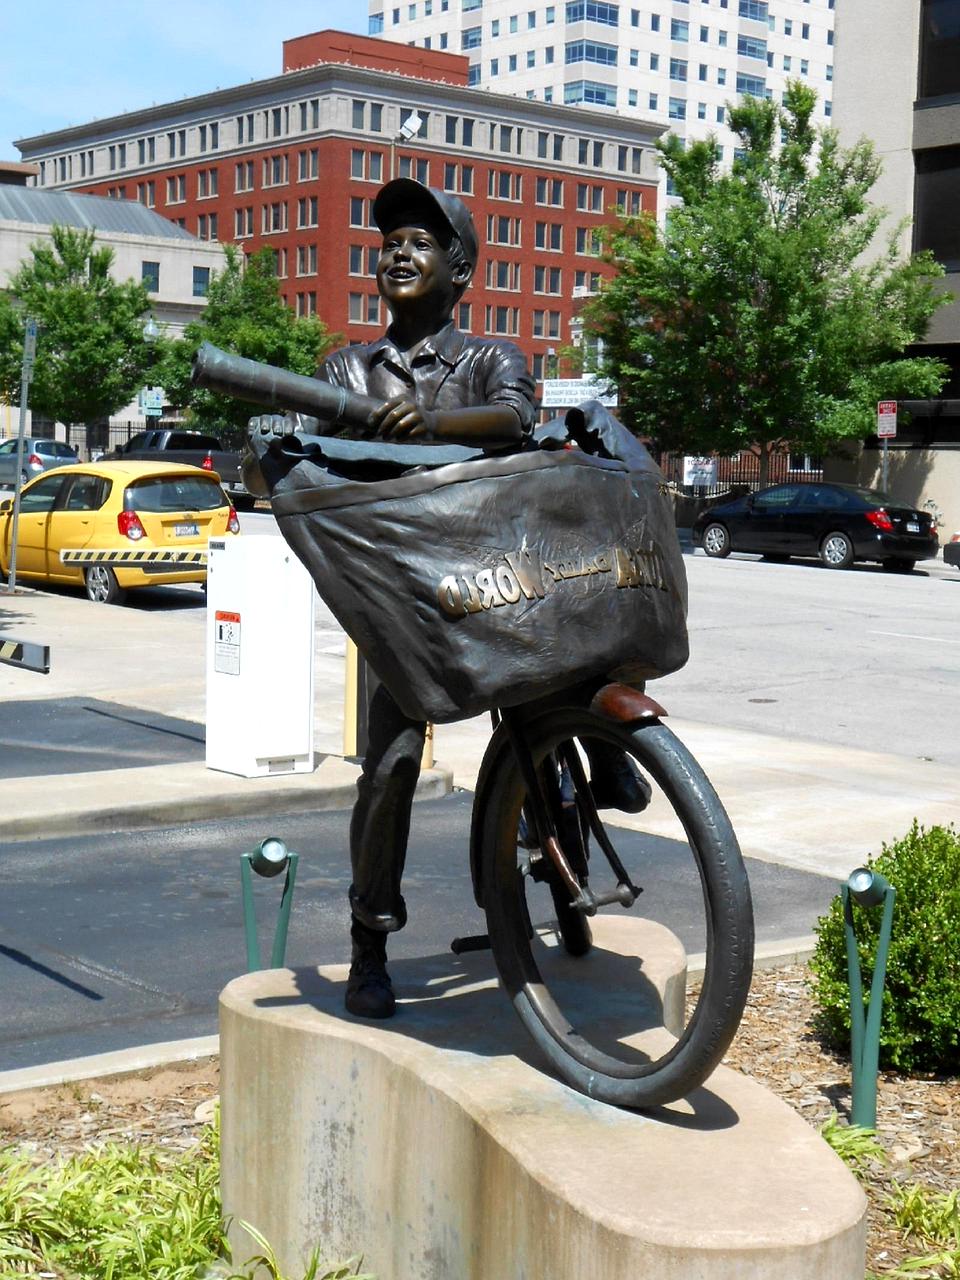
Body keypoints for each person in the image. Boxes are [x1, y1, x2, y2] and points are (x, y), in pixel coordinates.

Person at [249, 179, 648, 1019]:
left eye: (420, 241)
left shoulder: (489, 360)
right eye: (387, 239)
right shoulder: (347, 368)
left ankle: (603, 748)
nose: (397, 250)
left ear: (459, 270)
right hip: (408, 606)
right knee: (389, 769)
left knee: (580, 630)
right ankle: (370, 941)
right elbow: (328, 470)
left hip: (499, 584)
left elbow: (514, 418)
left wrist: (428, 426)